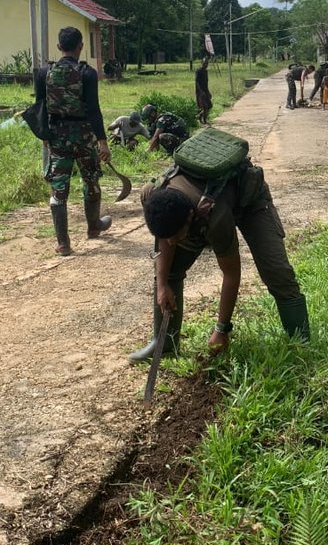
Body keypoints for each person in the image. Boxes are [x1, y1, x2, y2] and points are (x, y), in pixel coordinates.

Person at [128, 141, 310, 362]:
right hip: (202, 206)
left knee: (277, 272)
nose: (172, 242)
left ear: (190, 217)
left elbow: (231, 275)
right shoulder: (152, 194)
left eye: (177, 236)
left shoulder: (215, 218)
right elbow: (165, 239)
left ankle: (302, 344)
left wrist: (221, 329)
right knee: (169, 271)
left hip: (250, 201)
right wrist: (162, 285)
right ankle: (164, 343)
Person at [35, 27, 112, 256]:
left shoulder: (43, 72)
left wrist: (46, 136)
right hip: (84, 135)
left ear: (59, 47)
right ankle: (93, 226)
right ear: (81, 46)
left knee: (58, 188)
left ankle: (63, 243)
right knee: (91, 179)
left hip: (57, 136)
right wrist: (103, 142)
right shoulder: (87, 74)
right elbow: (93, 110)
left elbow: (40, 107)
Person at [195, 57, 213, 124]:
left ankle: (200, 115)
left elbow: (206, 83)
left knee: (209, 105)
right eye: (205, 63)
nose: (206, 64)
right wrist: (201, 92)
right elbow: (197, 82)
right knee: (204, 106)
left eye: (207, 63)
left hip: (205, 90)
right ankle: (204, 120)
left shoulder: (206, 71)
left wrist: (208, 92)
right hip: (200, 91)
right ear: (202, 63)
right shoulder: (198, 71)